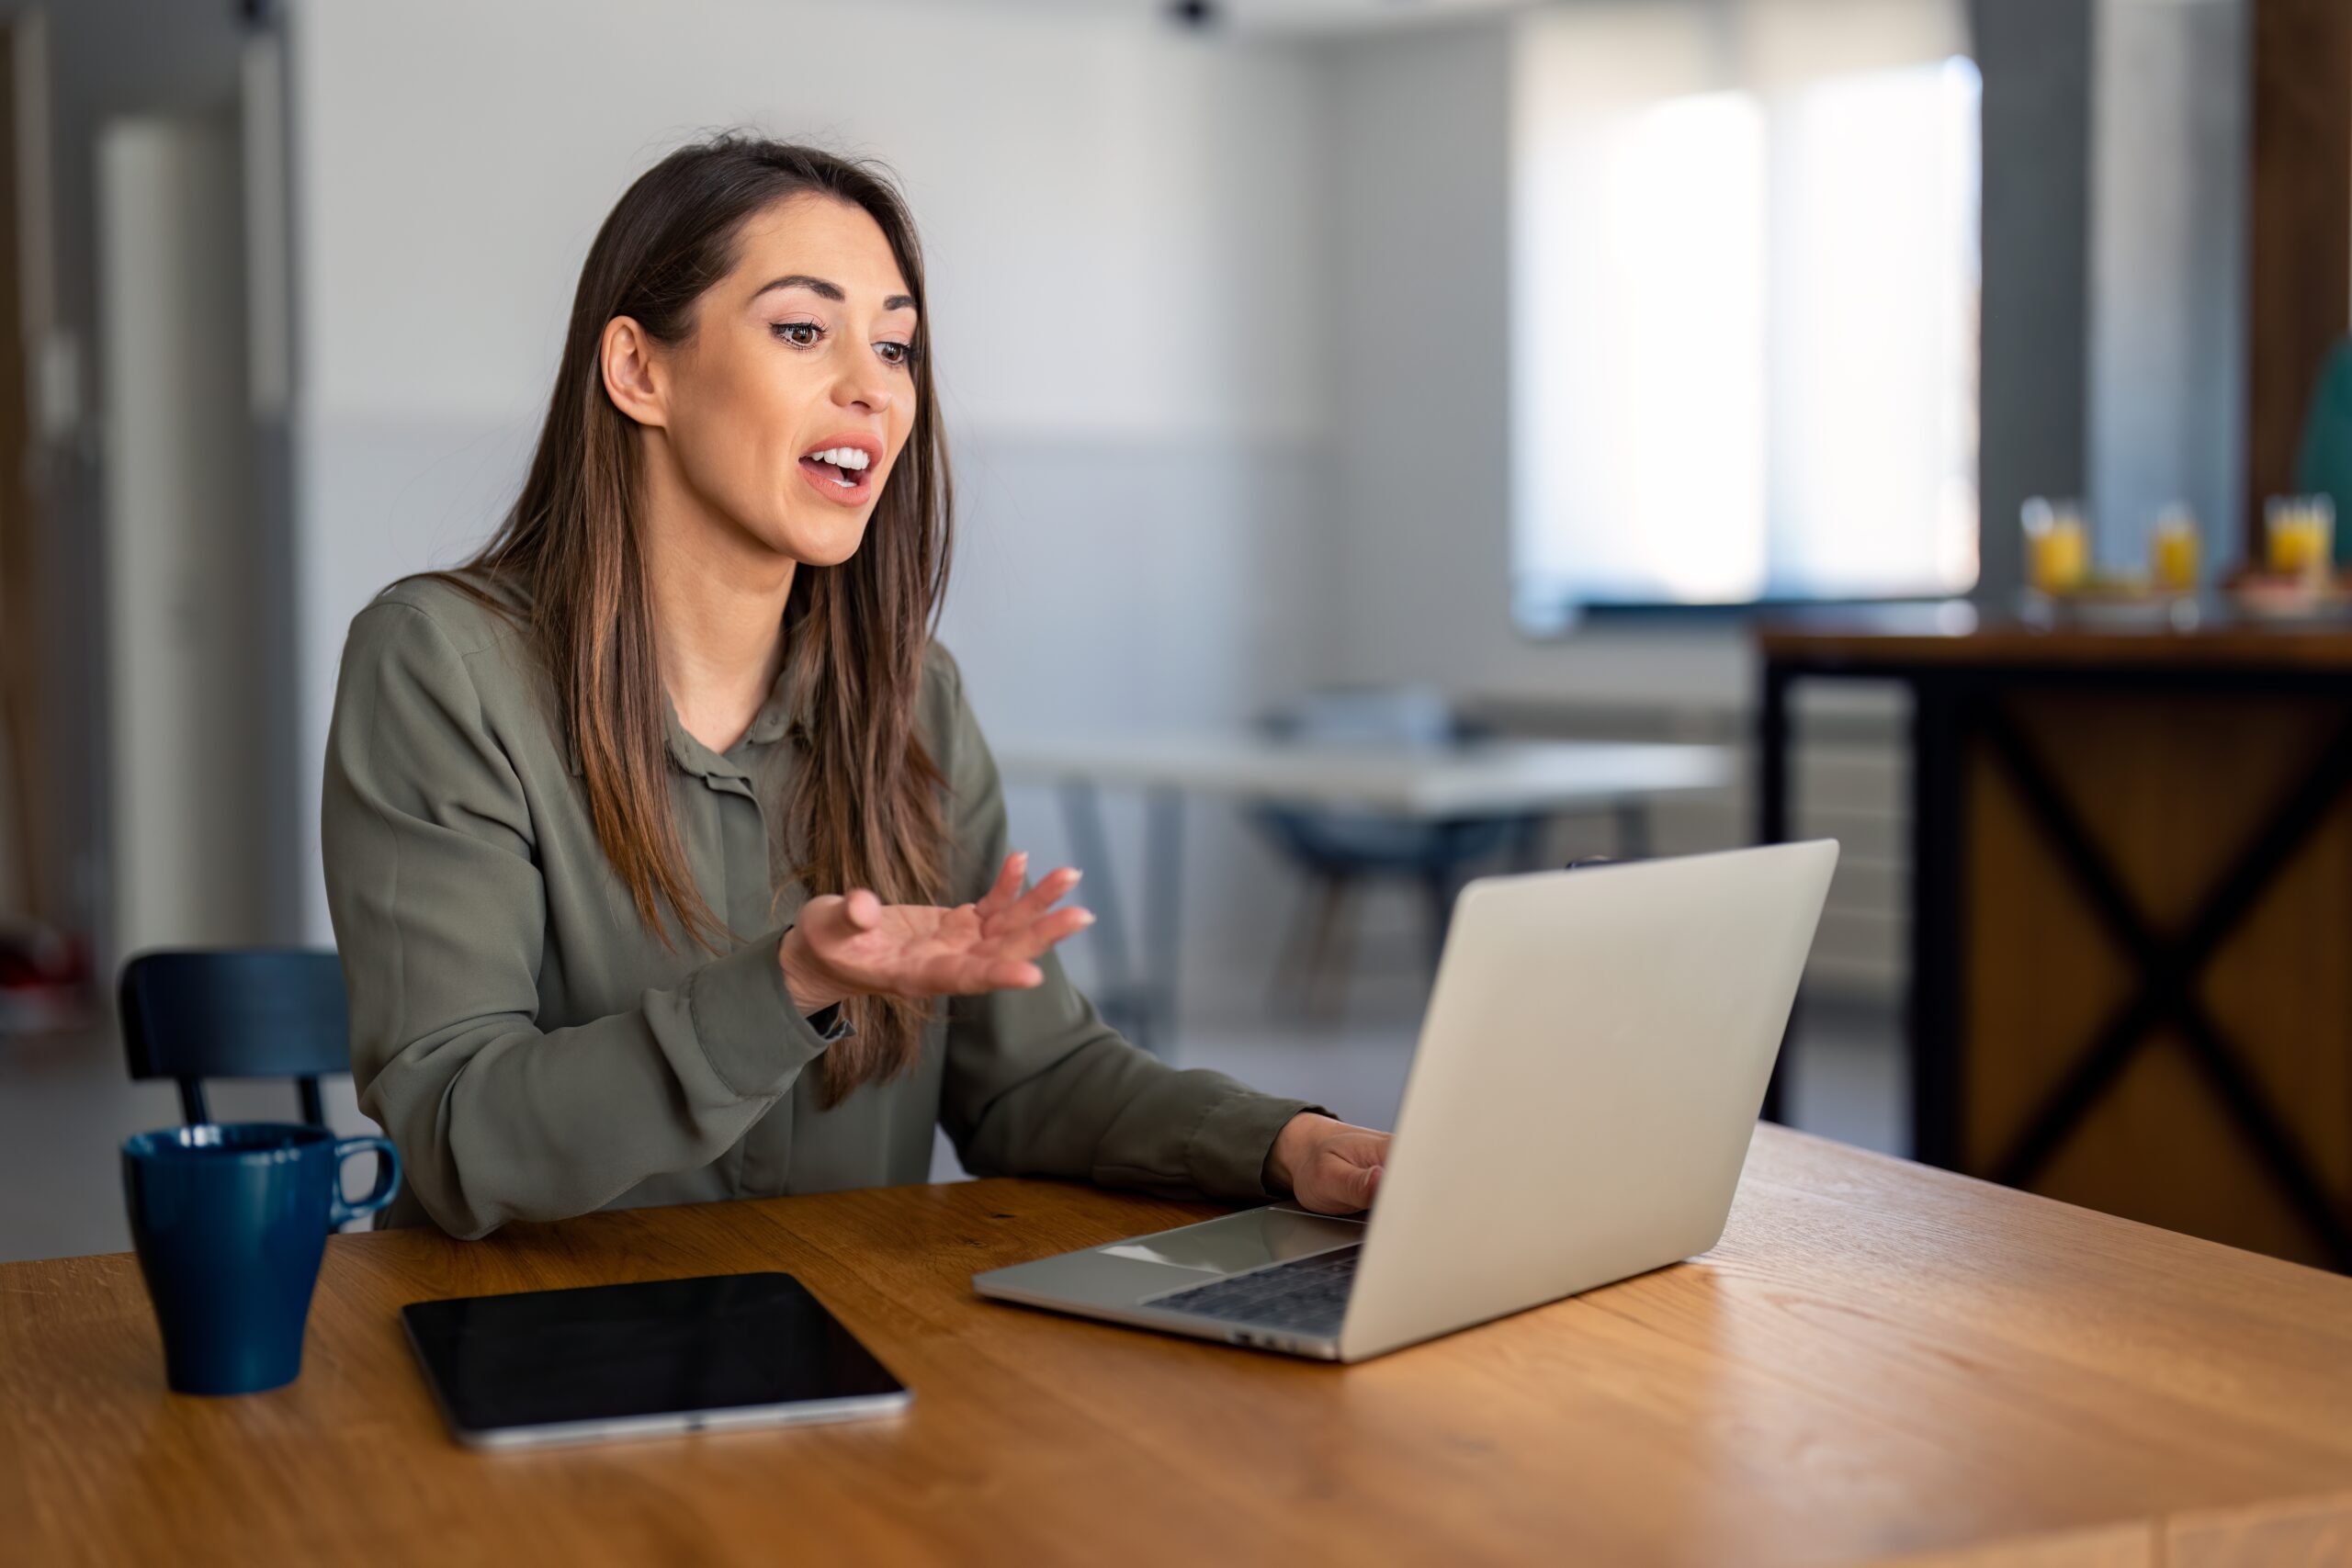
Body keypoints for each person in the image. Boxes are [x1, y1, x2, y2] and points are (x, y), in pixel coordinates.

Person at [322, 134, 1390, 1239]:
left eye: (895, 348)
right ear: (640, 370)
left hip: (864, 1352)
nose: (870, 389)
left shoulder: (915, 697)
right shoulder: (442, 664)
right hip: (540, 1352)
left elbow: (1026, 1084)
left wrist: (1289, 1147)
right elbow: (454, 1139)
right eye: (801, 330)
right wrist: (785, 987)